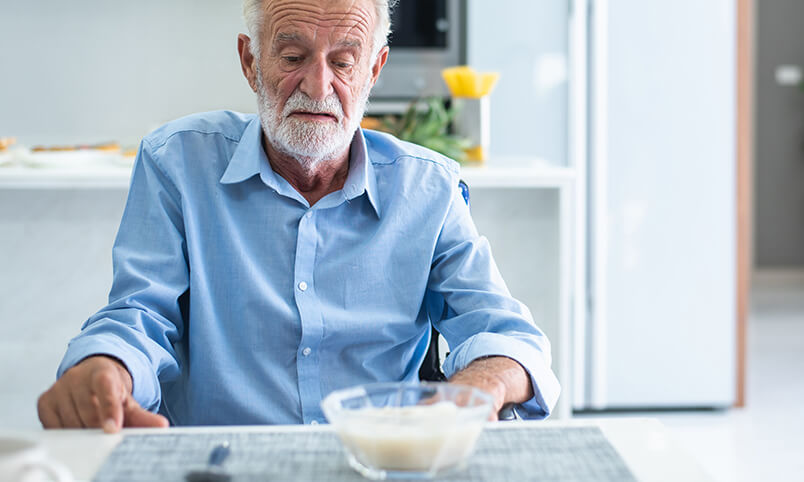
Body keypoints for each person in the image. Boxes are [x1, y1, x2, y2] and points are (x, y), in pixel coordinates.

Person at [37, 0, 560, 432]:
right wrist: (106, 366)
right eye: (292, 56)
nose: (317, 85)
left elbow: (509, 336)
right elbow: (139, 315)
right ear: (250, 61)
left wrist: (477, 388)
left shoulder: (428, 189)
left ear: (374, 70)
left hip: (382, 464)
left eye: (344, 61)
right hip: (222, 466)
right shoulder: (176, 163)